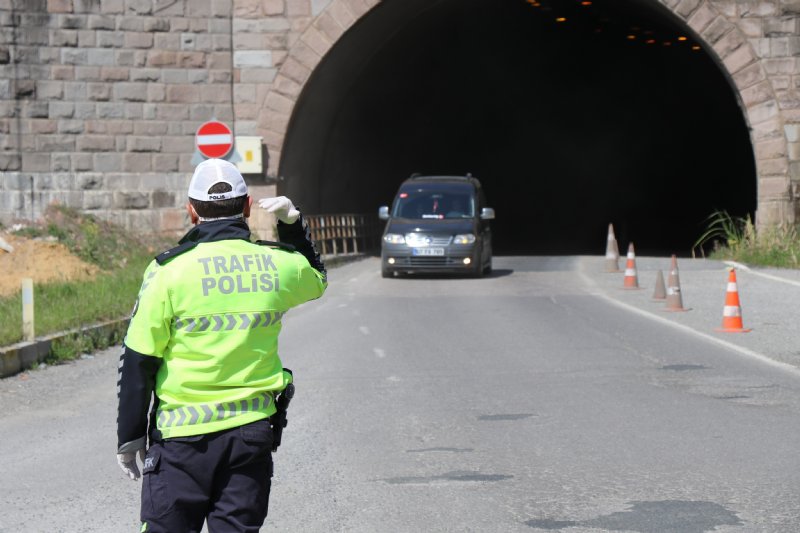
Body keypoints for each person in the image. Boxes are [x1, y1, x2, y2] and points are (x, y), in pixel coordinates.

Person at [116, 158, 327, 532]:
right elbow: (317, 278)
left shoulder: (168, 272)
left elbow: (138, 360)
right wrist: (292, 224)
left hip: (181, 443)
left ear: (191, 211)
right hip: (250, 438)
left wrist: (129, 437)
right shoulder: (275, 265)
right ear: (247, 207)